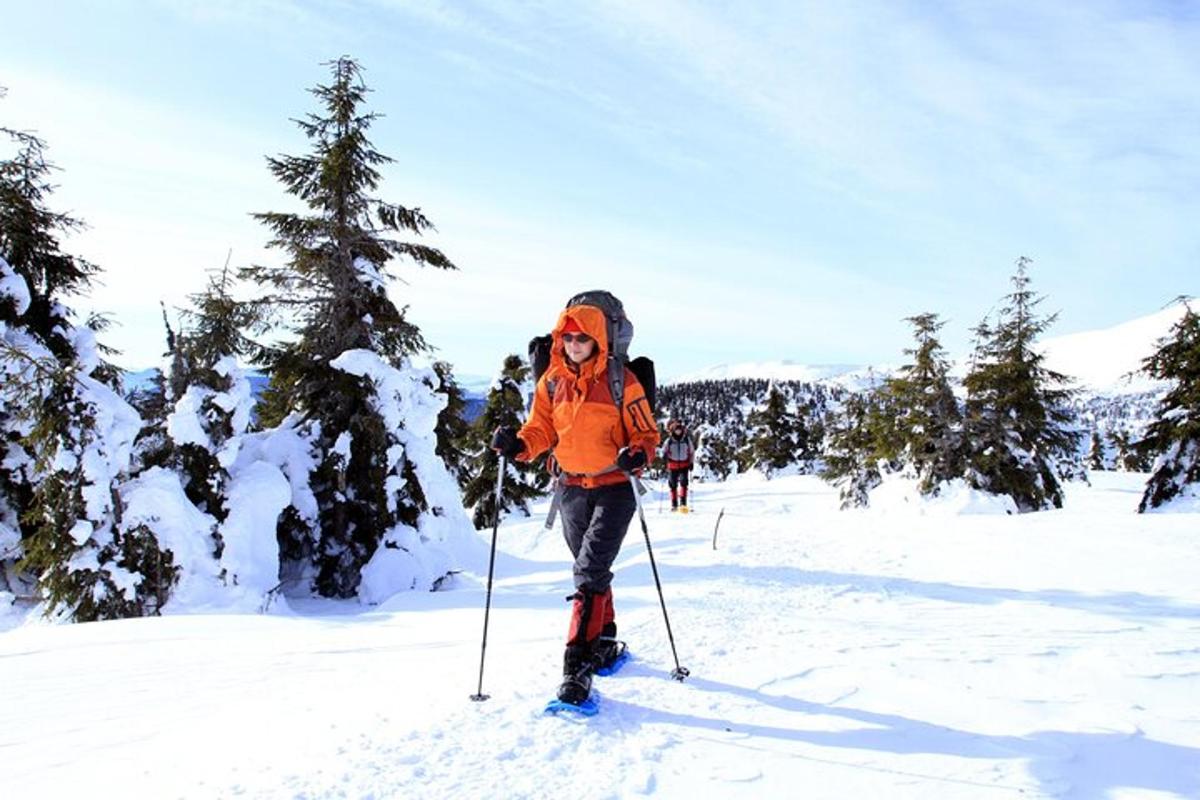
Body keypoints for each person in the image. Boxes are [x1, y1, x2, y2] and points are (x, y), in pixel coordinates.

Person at [490, 302, 659, 705]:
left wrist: (638, 455)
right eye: (567, 336)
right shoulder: (551, 380)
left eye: (582, 337)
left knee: (589, 569)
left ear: (598, 339)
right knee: (592, 570)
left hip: (615, 487)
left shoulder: (623, 380)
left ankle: (576, 667)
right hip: (570, 488)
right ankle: (603, 638)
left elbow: (646, 433)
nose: (574, 343)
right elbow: (540, 430)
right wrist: (518, 445)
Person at [661, 419, 694, 512]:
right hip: (672, 465)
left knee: (684, 484)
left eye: (679, 430)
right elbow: (664, 451)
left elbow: (691, 452)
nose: (678, 431)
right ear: (673, 430)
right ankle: (674, 505)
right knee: (673, 485)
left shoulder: (687, 440)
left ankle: (683, 504)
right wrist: (664, 457)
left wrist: (691, 463)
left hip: (684, 465)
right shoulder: (669, 441)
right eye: (676, 430)